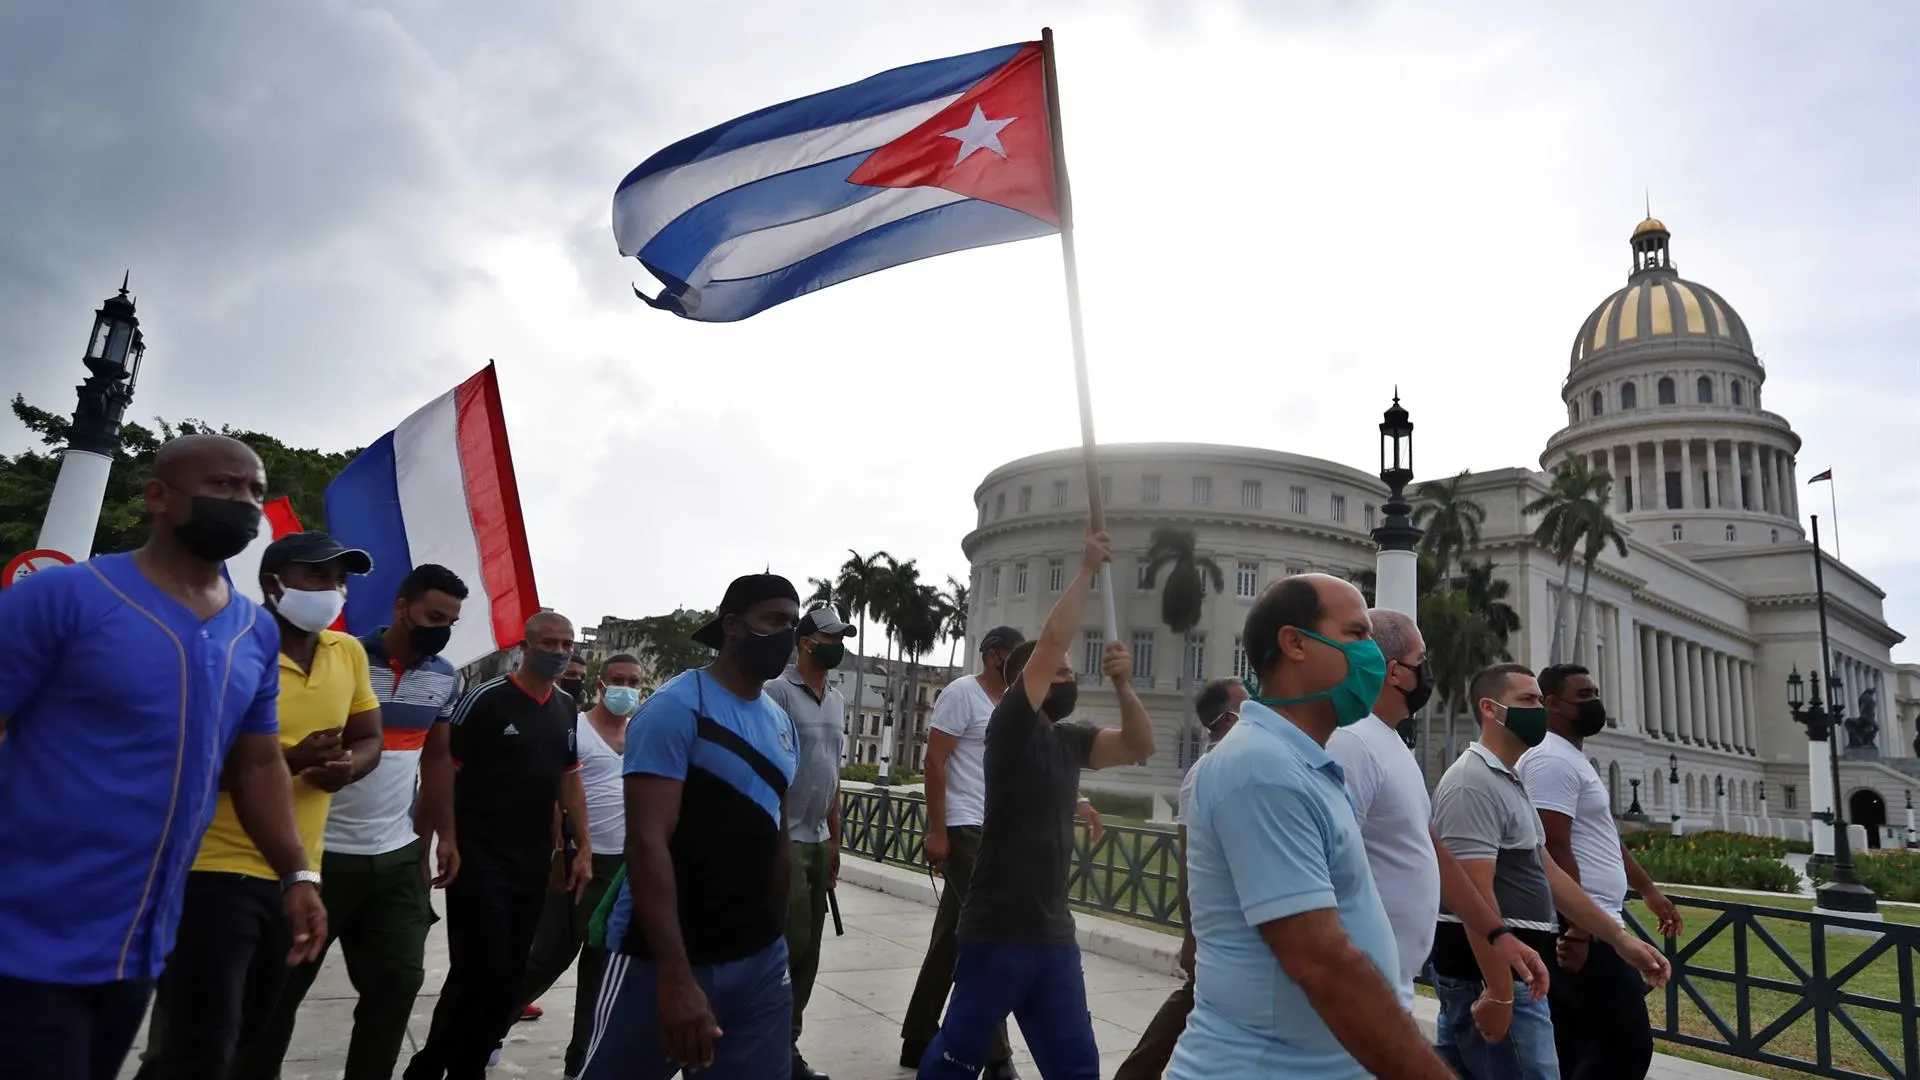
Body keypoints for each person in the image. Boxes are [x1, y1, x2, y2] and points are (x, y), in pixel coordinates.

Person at [0, 434, 324, 1080]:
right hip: (27, 938)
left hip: (141, 944)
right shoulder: (63, 599)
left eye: (255, 491)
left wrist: (297, 873)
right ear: (158, 497)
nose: (244, 502)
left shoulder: (253, 631)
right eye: (223, 487)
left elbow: (258, 763)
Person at [1166, 574, 1454, 1080]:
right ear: (1295, 643)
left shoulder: (1306, 764)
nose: (1375, 659)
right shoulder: (1261, 766)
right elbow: (1321, 963)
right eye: (1357, 635)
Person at [138, 530, 383, 1079]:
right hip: (211, 867)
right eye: (317, 576)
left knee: (249, 1029)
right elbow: (184, 762)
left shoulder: (347, 653)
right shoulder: (225, 646)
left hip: (296, 872)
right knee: (199, 1038)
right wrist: (289, 763)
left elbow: (369, 736)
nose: (333, 590)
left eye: (340, 580)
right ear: (273, 583)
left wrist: (350, 766)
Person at [919, 527, 1156, 1080]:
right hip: (996, 929)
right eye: (1061, 673)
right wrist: (1087, 572)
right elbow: (1050, 643)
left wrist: (1124, 686)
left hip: (1052, 936)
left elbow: (1139, 745)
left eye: (1073, 673)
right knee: (956, 1060)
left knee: (1076, 1066)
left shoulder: (1070, 740)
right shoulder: (1010, 726)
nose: (1069, 677)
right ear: (1032, 680)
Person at [234, 563, 467, 1080]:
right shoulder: (344, 659)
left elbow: (435, 758)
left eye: (452, 619)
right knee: (276, 992)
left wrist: (444, 834)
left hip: (395, 855)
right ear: (402, 608)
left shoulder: (444, 676)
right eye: (434, 615)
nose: (442, 628)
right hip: (317, 853)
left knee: (398, 983)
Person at [579, 573, 804, 1080]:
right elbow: (646, 843)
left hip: (759, 960)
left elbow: (777, 835)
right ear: (732, 626)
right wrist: (675, 979)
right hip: (658, 962)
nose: (786, 634)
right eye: (773, 619)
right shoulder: (677, 709)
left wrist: (776, 938)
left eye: (793, 622)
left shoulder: (781, 724)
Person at [1429, 664, 1672, 1080]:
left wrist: (1619, 939)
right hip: (1493, 974)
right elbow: (1473, 895)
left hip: (1516, 970)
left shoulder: (1506, 779)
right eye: (1527, 700)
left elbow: (1548, 872)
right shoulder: (1472, 783)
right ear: (1490, 708)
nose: (1538, 709)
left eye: (1539, 700)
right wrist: (1500, 994)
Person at [1325, 609, 1551, 1016]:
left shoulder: (1389, 743)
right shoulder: (1352, 744)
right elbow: (1327, 864)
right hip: (1355, 986)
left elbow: (1432, 850)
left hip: (1390, 982)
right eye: (1421, 659)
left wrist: (1497, 934)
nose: (1428, 671)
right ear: (1395, 673)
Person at [405, 611, 594, 1080]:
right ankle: (430, 1067)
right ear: (526, 647)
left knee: (507, 975)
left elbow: (569, 782)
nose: (559, 652)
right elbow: (444, 771)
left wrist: (581, 847)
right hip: (479, 857)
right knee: (479, 968)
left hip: (530, 862)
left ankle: (462, 1064)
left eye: (566, 644)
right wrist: (440, 839)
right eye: (549, 643)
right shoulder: (488, 700)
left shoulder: (565, 707)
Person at [1518, 664, 1683, 1080]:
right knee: (1623, 1042)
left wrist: (1647, 889)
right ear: (1554, 704)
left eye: (1595, 692)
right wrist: (1578, 927)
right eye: (1584, 695)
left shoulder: (1573, 758)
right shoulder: (1550, 759)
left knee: (1577, 1042)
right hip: (1581, 926)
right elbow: (1553, 845)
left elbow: (1604, 836)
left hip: (1595, 920)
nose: (1595, 702)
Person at [494, 652, 648, 1076]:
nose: (625, 688)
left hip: (623, 868)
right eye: (617, 679)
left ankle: (581, 1061)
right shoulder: (574, 729)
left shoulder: (641, 734)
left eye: (633, 681)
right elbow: (552, 794)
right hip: (578, 860)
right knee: (547, 955)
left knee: (600, 970)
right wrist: (559, 853)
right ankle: (488, 1028)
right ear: (600, 684)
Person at [901, 624, 1026, 1078]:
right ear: (995, 656)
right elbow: (934, 760)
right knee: (990, 936)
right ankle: (996, 1056)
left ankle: (917, 1035)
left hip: (993, 830)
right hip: (962, 826)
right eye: (1016, 656)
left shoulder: (1011, 704)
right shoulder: (962, 693)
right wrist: (937, 830)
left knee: (951, 939)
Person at [1111, 676, 1244, 1080]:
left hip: (1239, 920)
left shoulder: (1241, 763)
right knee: (1191, 1001)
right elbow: (1186, 860)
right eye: (1246, 708)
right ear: (1226, 720)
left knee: (1197, 1004)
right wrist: (1190, 935)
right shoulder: (1206, 774)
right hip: (1223, 922)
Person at [763, 607, 857, 1080]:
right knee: (789, 944)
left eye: (840, 637)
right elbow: (769, 768)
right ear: (804, 642)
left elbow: (832, 774)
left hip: (819, 839)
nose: (836, 644)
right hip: (786, 838)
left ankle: (787, 1046)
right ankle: (766, 1042)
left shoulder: (836, 698)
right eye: (829, 636)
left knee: (811, 950)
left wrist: (835, 838)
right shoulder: (777, 691)